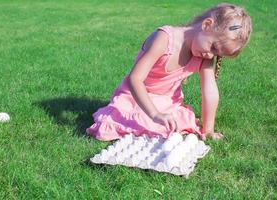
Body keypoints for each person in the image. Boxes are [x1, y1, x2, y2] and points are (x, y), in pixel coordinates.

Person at [87, 3, 252, 141]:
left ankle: (156, 121)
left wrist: (208, 129)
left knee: (177, 121)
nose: (210, 55)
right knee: (128, 120)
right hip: (135, 97)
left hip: (167, 102)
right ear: (206, 25)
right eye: (213, 47)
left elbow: (209, 91)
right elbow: (135, 79)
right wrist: (155, 114)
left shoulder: (205, 55)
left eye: (217, 54)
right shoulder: (165, 39)